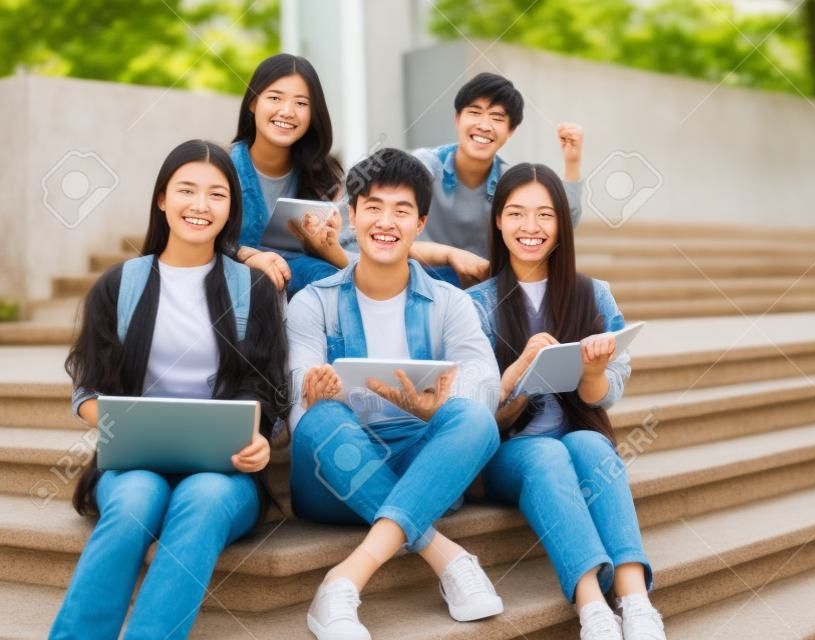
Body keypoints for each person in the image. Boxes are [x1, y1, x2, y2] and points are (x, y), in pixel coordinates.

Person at [50, 140, 289, 640]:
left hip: (223, 474)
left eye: (216, 195)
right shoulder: (119, 286)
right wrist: (127, 424)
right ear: (162, 199)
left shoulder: (254, 289)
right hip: (133, 463)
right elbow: (89, 391)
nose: (200, 206)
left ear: (231, 210)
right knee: (135, 498)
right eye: (187, 190)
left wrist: (261, 437)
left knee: (202, 500)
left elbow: (265, 389)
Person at [286, 148, 504, 640]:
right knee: (321, 418)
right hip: (332, 474)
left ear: (421, 222)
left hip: (419, 459)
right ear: (351, 216)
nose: (387, 222)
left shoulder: (449, 302)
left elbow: (484, 380)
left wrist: (440, 403)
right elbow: (296, 402)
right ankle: (444, 554)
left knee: (474, 419)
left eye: (402, 210)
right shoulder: (312, 303)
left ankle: (345, 578)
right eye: (375, 207)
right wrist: (313, 396)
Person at [467, 163, 665, 640]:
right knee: (549, 451)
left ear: (561, 223)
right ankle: (592, 605)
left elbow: (607, 394)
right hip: (508, 452)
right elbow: (473, 413)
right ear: (497, 221)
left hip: (578, 435)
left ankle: (635, 599)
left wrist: (593, 372)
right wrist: (517, 372)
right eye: (516, 214)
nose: (529, 228)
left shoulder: (592, 294)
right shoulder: (474, 303)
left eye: (543, 215)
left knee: (594, 448)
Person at [411, 72, 585, 287]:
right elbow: (372, 237)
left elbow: (564, 220)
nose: (484, 125)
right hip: (419, 289)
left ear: (511, 130)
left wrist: (572, 162)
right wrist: (449, 255)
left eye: (497, 118)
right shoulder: (422, 166)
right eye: (474, 112)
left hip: (486, 294)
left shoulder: (509, 179)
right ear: (457, 119)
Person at [230, 53, 351, 296]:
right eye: (275, 98)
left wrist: (326, 242)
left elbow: (347, 256)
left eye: (301, 103)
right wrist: (245, 255)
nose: (287, 111)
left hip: (297, 291)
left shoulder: (325, 176)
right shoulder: (221, 168)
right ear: (253, 103)